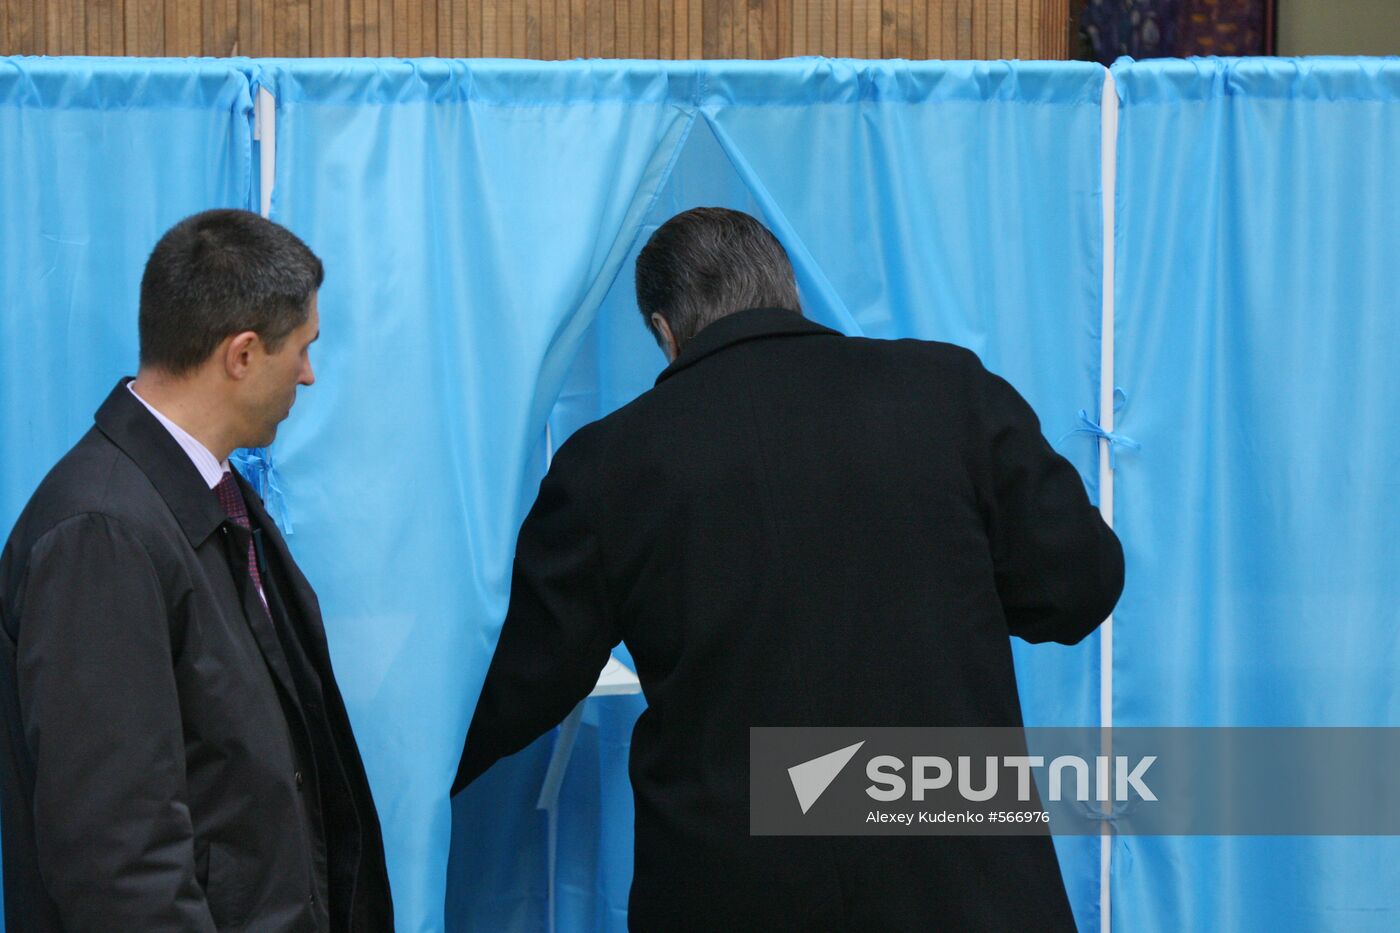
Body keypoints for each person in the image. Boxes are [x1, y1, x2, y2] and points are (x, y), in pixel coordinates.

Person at [453, 207, 1124, 930]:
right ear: (789, 291)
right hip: (967, 887)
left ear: (664, 331)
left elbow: (522, 682)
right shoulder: (948, 390)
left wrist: (371, 780)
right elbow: (1078, 589)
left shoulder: (610, 463)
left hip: (730, 891)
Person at [0, 209, 393, 931]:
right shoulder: (101, 534)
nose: (308, 375)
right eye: (302, 349)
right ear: (242, 354)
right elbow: (117, 863)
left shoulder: (206, 496)